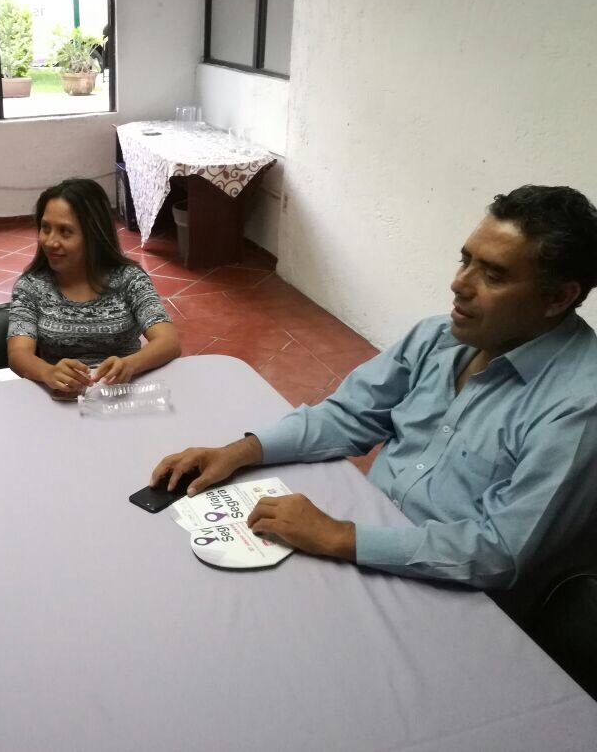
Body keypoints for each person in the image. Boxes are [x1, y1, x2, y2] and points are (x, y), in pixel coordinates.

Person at [152, 185, 597, 607]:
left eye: (493, 275)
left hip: (454, 594)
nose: (460, 284)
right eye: (465, 261)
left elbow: (499, 553)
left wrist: (338, 537)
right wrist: (239, 452)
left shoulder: (578, 408)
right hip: (368, 538)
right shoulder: (438, 338)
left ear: (558, 298)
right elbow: (348, 416)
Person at [7, 178, 181, 392]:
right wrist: (47, 372)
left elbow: (168, 341)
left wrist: (129, 364)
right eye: (45, 228)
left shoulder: (129, 279)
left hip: (122, 396)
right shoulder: (31, 286)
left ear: (94, 235)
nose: (50, 242)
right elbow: (18, 354)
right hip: (61, 397)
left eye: (65, 231)